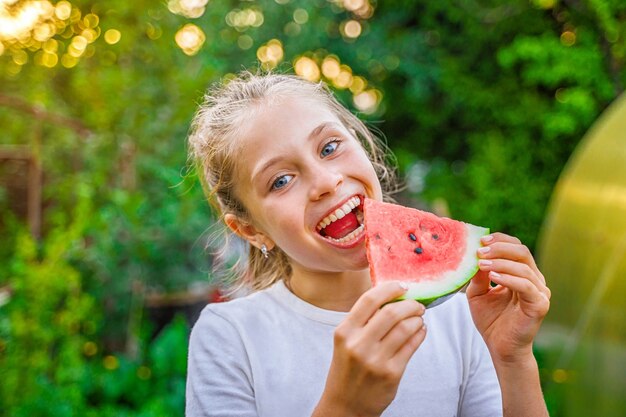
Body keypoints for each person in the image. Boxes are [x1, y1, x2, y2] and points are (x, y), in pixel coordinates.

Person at [185, 71, 551, 417]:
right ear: (251, 231)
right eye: (281, 181)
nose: (326, 181)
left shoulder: (459, 318)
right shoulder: (229, 336)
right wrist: (344, 408)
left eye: (329, 147)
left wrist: (513, 360)